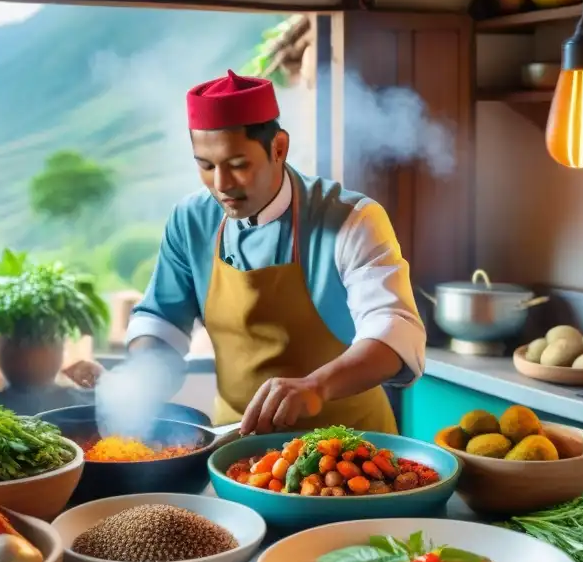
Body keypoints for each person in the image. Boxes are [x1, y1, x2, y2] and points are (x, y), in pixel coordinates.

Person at [81, 70, 426, 436]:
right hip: (235, 446)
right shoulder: (190, 220)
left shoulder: (350, 219)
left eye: (238, 165)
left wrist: (316, 386)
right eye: (206, 166)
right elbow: (163, 322)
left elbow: (394, 333)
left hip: (350, 452)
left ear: (278, 148)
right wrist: (136, 381)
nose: (222, 185)